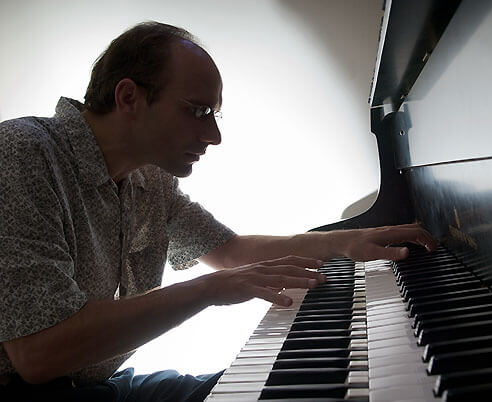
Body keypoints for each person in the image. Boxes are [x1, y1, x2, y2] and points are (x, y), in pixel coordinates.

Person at [0, 21, 436, 401]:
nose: (213, 135)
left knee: (296, 386)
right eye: (198, 111)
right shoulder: (22, 155)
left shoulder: (147, 179)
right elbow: (40, 353)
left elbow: (227, 250)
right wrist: (207, 290)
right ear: (129, 97)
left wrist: (344, 242)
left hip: (98, 388)